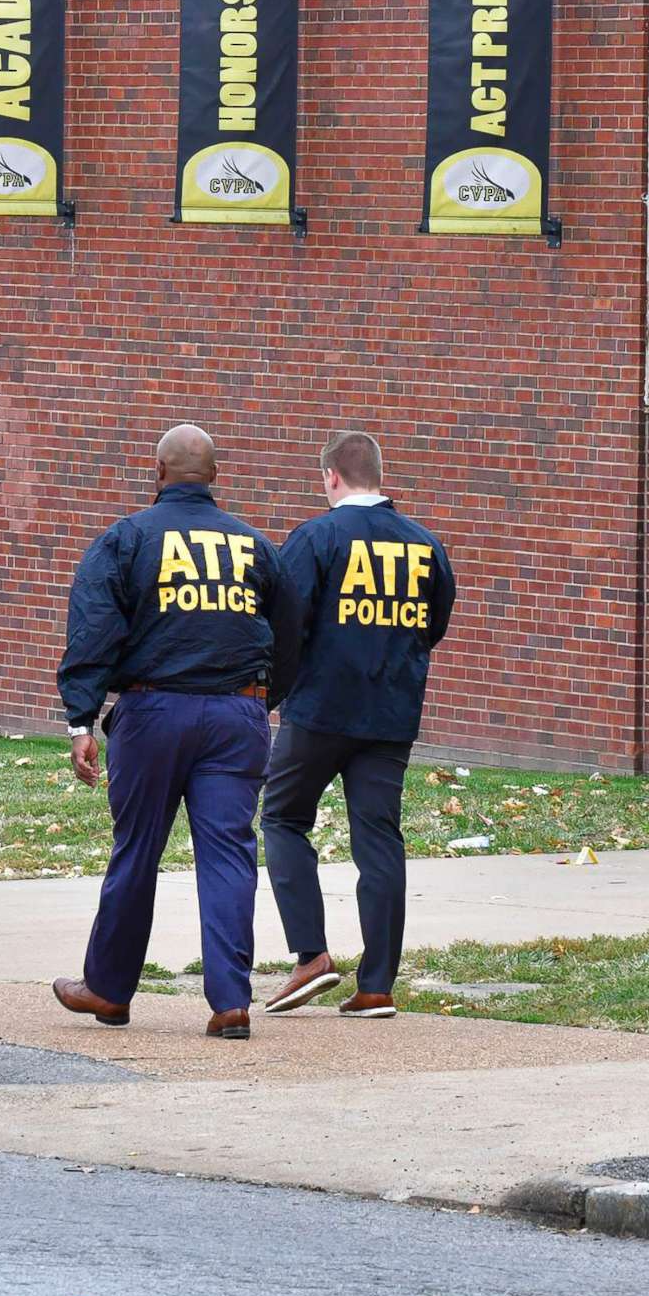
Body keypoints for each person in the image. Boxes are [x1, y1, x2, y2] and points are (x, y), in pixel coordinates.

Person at [53, 424, 282, 1041]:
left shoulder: (127, 539)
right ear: (214, 475)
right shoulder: (254, 546)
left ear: (157, 472)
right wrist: (265, 701)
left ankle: (108, 989)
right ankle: (231, 1003)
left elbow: (93, 629)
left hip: (154, 715)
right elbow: (292, 632)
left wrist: (82, 719)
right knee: (230, 855)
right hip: (238, 717)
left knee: (138, 850)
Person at [257, 432, 458, 1019]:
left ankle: (311, 955)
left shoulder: (316, 538)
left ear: (332, 478)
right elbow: (434, 622)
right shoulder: (425, 544)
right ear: (377, 474)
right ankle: (377, 986)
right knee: (379, 839)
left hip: (319, 710)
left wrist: (276, 691)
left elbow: (284, 621)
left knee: (283, 817)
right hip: (391, 714)